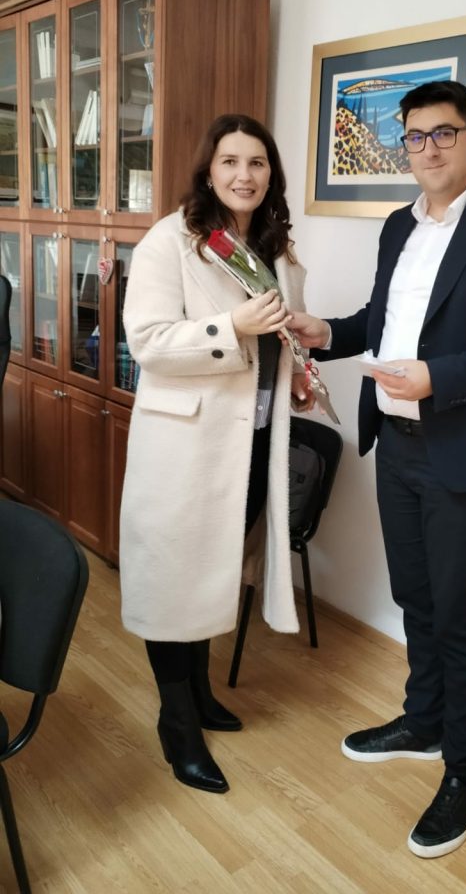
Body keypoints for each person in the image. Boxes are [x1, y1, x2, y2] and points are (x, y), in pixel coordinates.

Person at [290, 81, 466, 857]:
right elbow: (384, 323)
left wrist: (438, 378)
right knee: (416, 596)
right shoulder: (397, 226)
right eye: (416, 136)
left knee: (462, 612)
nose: (430, 148)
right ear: (403, 146)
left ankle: (465, 773)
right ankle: (425, 720)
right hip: (398, 443)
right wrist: (327, 333)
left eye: (445, 132)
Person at [119, 113, 314, 794]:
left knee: (213, 572)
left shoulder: (276, 250)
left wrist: (295, 379)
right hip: (185, 446)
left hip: (251, 440)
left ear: (271, 174)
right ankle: (176, 723)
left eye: (257, 163)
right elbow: (148, 343)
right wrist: (229, 324)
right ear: (208, 170)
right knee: (175, 579)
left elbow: (278, 343)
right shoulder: (169, 241)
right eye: (230, 161)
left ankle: (199, 694)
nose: (244, 175)